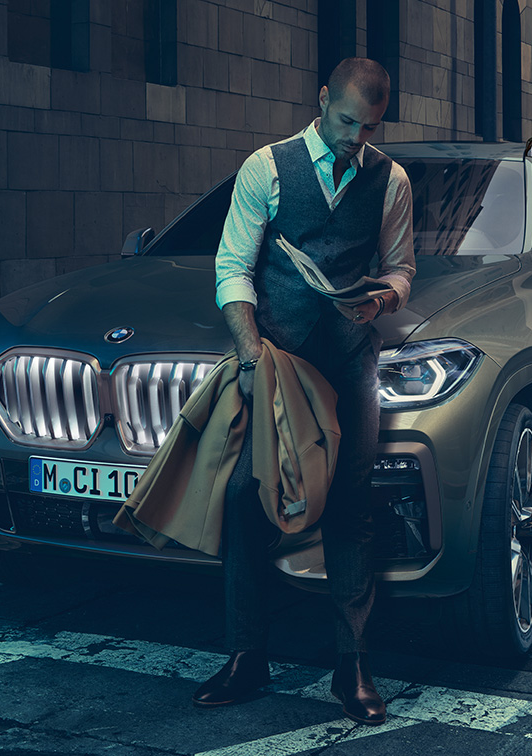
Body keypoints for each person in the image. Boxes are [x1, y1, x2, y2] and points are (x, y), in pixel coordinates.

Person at [193, 57, 415, 725]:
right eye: (347, 121)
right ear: (323, 101)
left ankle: (351, 670)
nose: (356, 137)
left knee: (351, 507)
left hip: (350, 364)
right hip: (280, 364)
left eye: (369, 127)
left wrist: (382, 302)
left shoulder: (391, 180)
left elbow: (402, 269)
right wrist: (250, 351)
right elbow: (232, 267)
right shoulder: (266, 168)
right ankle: (246, 657)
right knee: (245, 497)